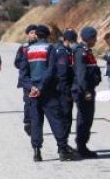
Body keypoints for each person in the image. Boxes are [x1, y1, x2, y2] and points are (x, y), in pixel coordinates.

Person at [24, 25, 77, 162]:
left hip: (33, 91)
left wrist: (32, 87)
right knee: (56, 119)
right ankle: (62, 149)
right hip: (48, 90)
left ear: (36, 35)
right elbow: (51, 70)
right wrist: (41, 87)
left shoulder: (27, 50)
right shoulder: (50, 48)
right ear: (47, 36)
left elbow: (23, 74)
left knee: (36, 121)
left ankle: (37, 151)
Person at [72, 26, 102, 158]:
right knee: (84, 118)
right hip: (84, 91)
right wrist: (86, 91)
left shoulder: (86, 51)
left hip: (89, 89)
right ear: (89, 38)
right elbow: (81, 74)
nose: (96, 40)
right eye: (94, 37)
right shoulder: (81, 52)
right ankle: (81, 146)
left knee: (87, 118)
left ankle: (83, 145)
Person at [49, 29, 78, 146]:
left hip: (63, 90)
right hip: (62, 91)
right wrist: (67, 94)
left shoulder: (67, 51)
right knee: (65, 119)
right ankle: (63, 145)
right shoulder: (62, 52)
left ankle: (64, 144)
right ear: (67, 40)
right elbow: (62, 75)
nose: (74, 43)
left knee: (66, 119)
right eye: (72, 41)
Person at [14, 24, 37, 135]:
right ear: (28, 34)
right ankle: (28, 123)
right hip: (27, 80)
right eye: (32, 33)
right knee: (28, 102)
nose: (34, 35)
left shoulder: (41, 46)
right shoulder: (23, 48)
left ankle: (37, 124)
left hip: (39, 79)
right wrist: (26, 66)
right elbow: (17, 63)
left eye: (35, 33)